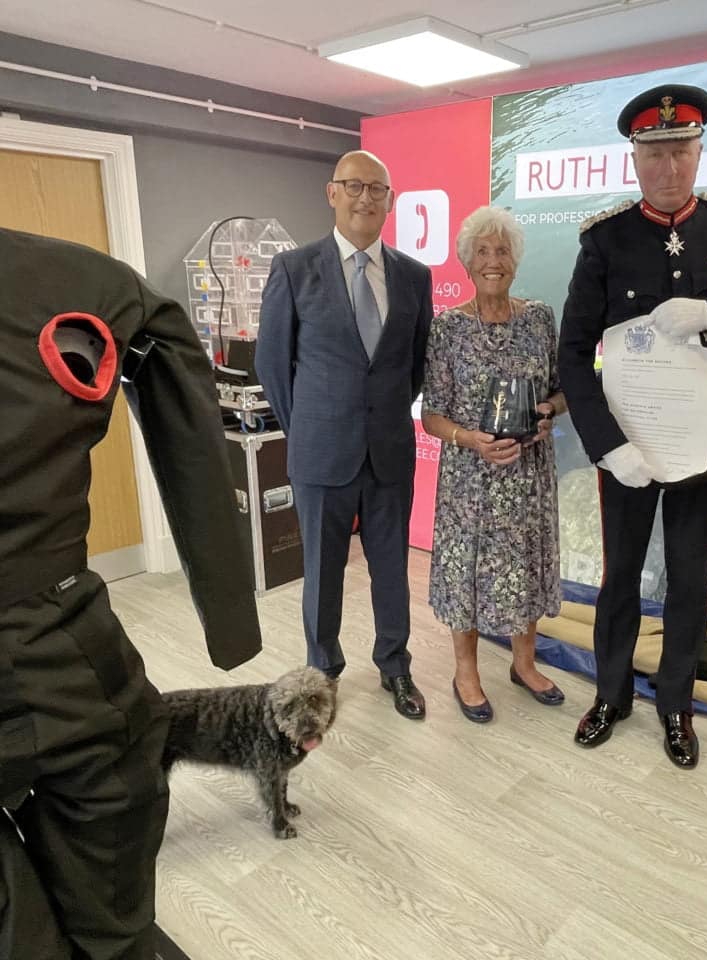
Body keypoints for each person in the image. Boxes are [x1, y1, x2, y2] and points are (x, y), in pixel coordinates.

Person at [0, 227, 262, 959]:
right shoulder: (82, 282)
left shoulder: (86, 288)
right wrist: (230, 617)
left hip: (65, 648)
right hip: (65, 651)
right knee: (105, 913)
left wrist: (230, 617)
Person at [559, 83, 707, 768]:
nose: (668, 167)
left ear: (699, 152)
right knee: (621, 576)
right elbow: (575, 354)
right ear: (635, 158)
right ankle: (610, 694)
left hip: (705, 434)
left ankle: (675, 705)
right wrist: (606, 446)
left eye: (681, 151)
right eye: (655, 153)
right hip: (631, 436)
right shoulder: (606, 240)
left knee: (689, 579)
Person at [257, 150, 432, 720]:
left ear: (389, 199)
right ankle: (322, 670)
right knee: (323, 572)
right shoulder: (293, 269)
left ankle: (395, 667)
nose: (365, 198)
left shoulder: (413, 276)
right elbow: (272, 365)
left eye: (376, 189)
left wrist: (378, 414)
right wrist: (308, 426)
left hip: (388, 451)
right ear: (332, 193)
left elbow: (414, 366)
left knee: (390, 570)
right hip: (319, 452)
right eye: (353, 186)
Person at [420, 206, 566, 723]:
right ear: (466, 262)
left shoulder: (540, 318)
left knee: (524, 564)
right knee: (468, 573)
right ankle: (466, 672)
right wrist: (469, 439)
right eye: (482, 251)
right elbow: (431, 414)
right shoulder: (448, 329)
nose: (493, 260)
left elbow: (560, 390)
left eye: (502, 250)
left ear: (516, 260)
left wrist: (549, 411)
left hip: (527, 476)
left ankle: (523, 664)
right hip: (471, 478)